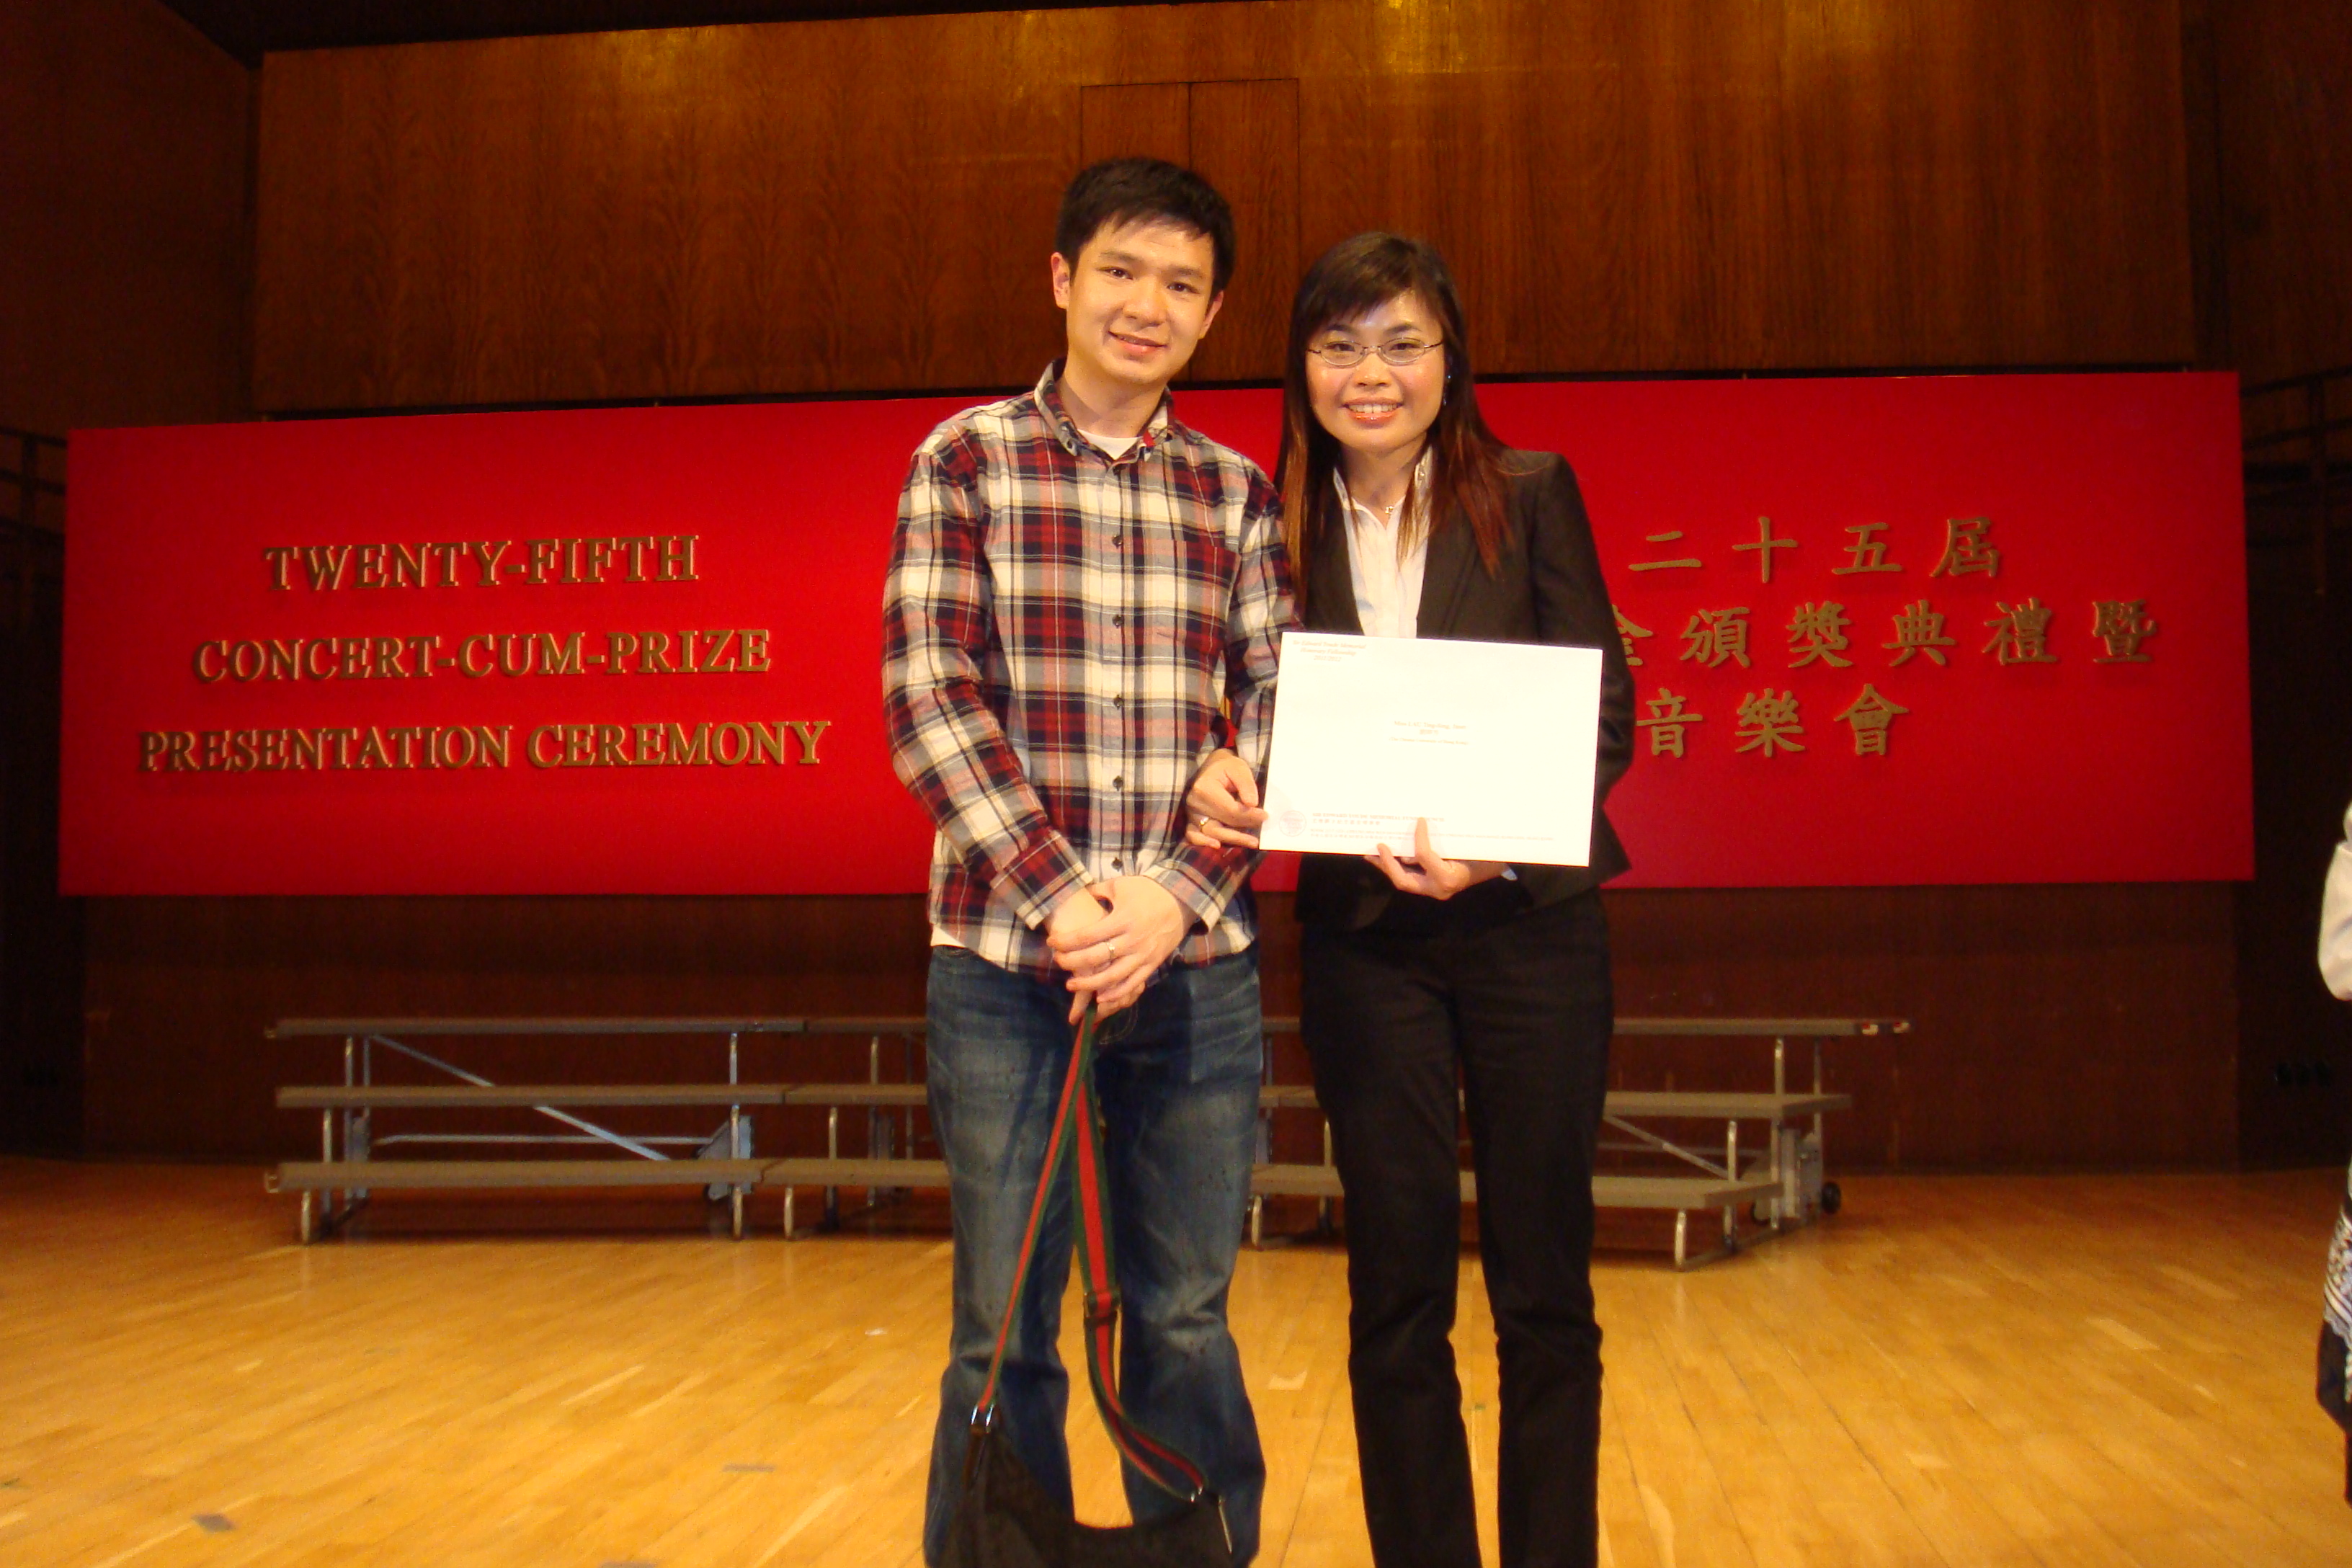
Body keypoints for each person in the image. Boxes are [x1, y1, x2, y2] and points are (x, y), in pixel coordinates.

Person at [1188, 232, 1634, 1568]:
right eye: (1338, 346)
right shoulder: (1267, 519)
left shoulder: (1532, 491)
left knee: (1545, 1290)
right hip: (1366, 950)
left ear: (1452, 358)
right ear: (1301, 367)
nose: (1370, 374)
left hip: (1530, 935)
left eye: (1401, 343)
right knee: (1394, 1293)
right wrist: (1227, 765)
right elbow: (1240, 715)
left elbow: (1605, 711)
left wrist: (1497, 847)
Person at [882, 156, 1291, 1566]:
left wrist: (1171, 896)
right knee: (1004, 1311)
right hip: (1006, 968)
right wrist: (1073, 904)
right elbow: (930, 703)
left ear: (1213, 312)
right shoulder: (963, 459)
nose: (1147, 303)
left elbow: (1288, 712)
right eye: (1120, 270)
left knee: (1183, 1307)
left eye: (1182, 284)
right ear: (1063, 277)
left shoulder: (1237, 492)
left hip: (1194, 970)